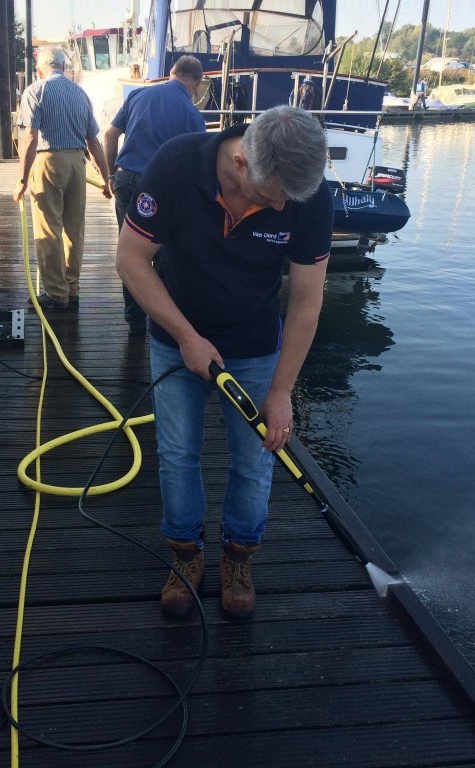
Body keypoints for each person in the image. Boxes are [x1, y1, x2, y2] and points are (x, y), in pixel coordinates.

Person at [115, 106, 333, 619]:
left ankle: (238, 559)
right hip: (176, 335)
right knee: (177, 455)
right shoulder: (174, 165)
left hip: (256, 342)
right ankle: (185, 555)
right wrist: (187, 337)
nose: (282, 205)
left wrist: (282, 391)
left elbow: (306, 301)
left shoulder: (308, 197)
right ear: (240, 161)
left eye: (289, 197)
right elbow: (131, 258)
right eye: (273, 194)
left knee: (256, 460)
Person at [103, 55, 206, 335]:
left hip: (126, 179)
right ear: (196, 82)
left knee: (130, 253)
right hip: (162, 188)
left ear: (172, 72)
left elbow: (110, 135)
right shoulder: (192, 114)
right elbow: (199, 162)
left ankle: (134, 320)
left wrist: (110, 175)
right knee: (163, 254)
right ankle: (160, 321)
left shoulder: (137, 95)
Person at [14, 46, 111, 310]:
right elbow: (94, 142)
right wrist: (106, 179)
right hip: (78, 163)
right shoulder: (80, 93)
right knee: (73, 228)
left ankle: (56, 293)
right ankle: (73, 287)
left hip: (49, 161)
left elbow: (31, 138)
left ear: (40, 69)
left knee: (49, 228)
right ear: (64, 67)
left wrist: (22, 179)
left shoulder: (35, 91)